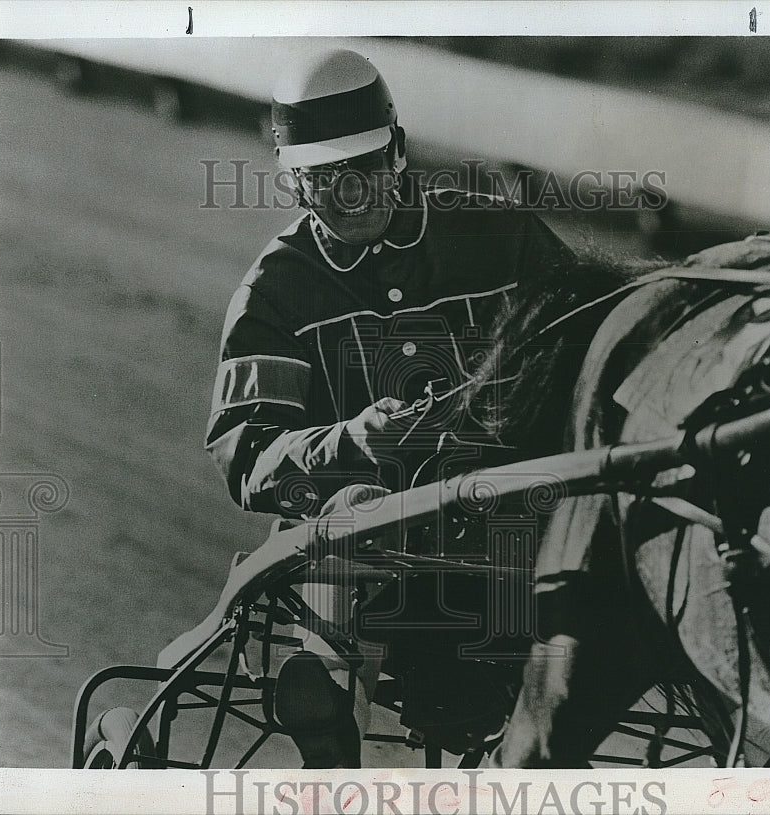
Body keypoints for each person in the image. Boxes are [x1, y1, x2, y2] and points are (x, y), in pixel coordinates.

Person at [205, 47, 573, 767]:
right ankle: (336, 699)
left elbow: (595, 340)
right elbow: (247, 456)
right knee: (365, 501)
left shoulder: (502, 238)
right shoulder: (273, 296)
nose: (349, 197)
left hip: (509, 542)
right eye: (324, 179)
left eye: (365, 170)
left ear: (397, 152)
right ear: (293, 181)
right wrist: (351, 440)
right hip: (374, 567)